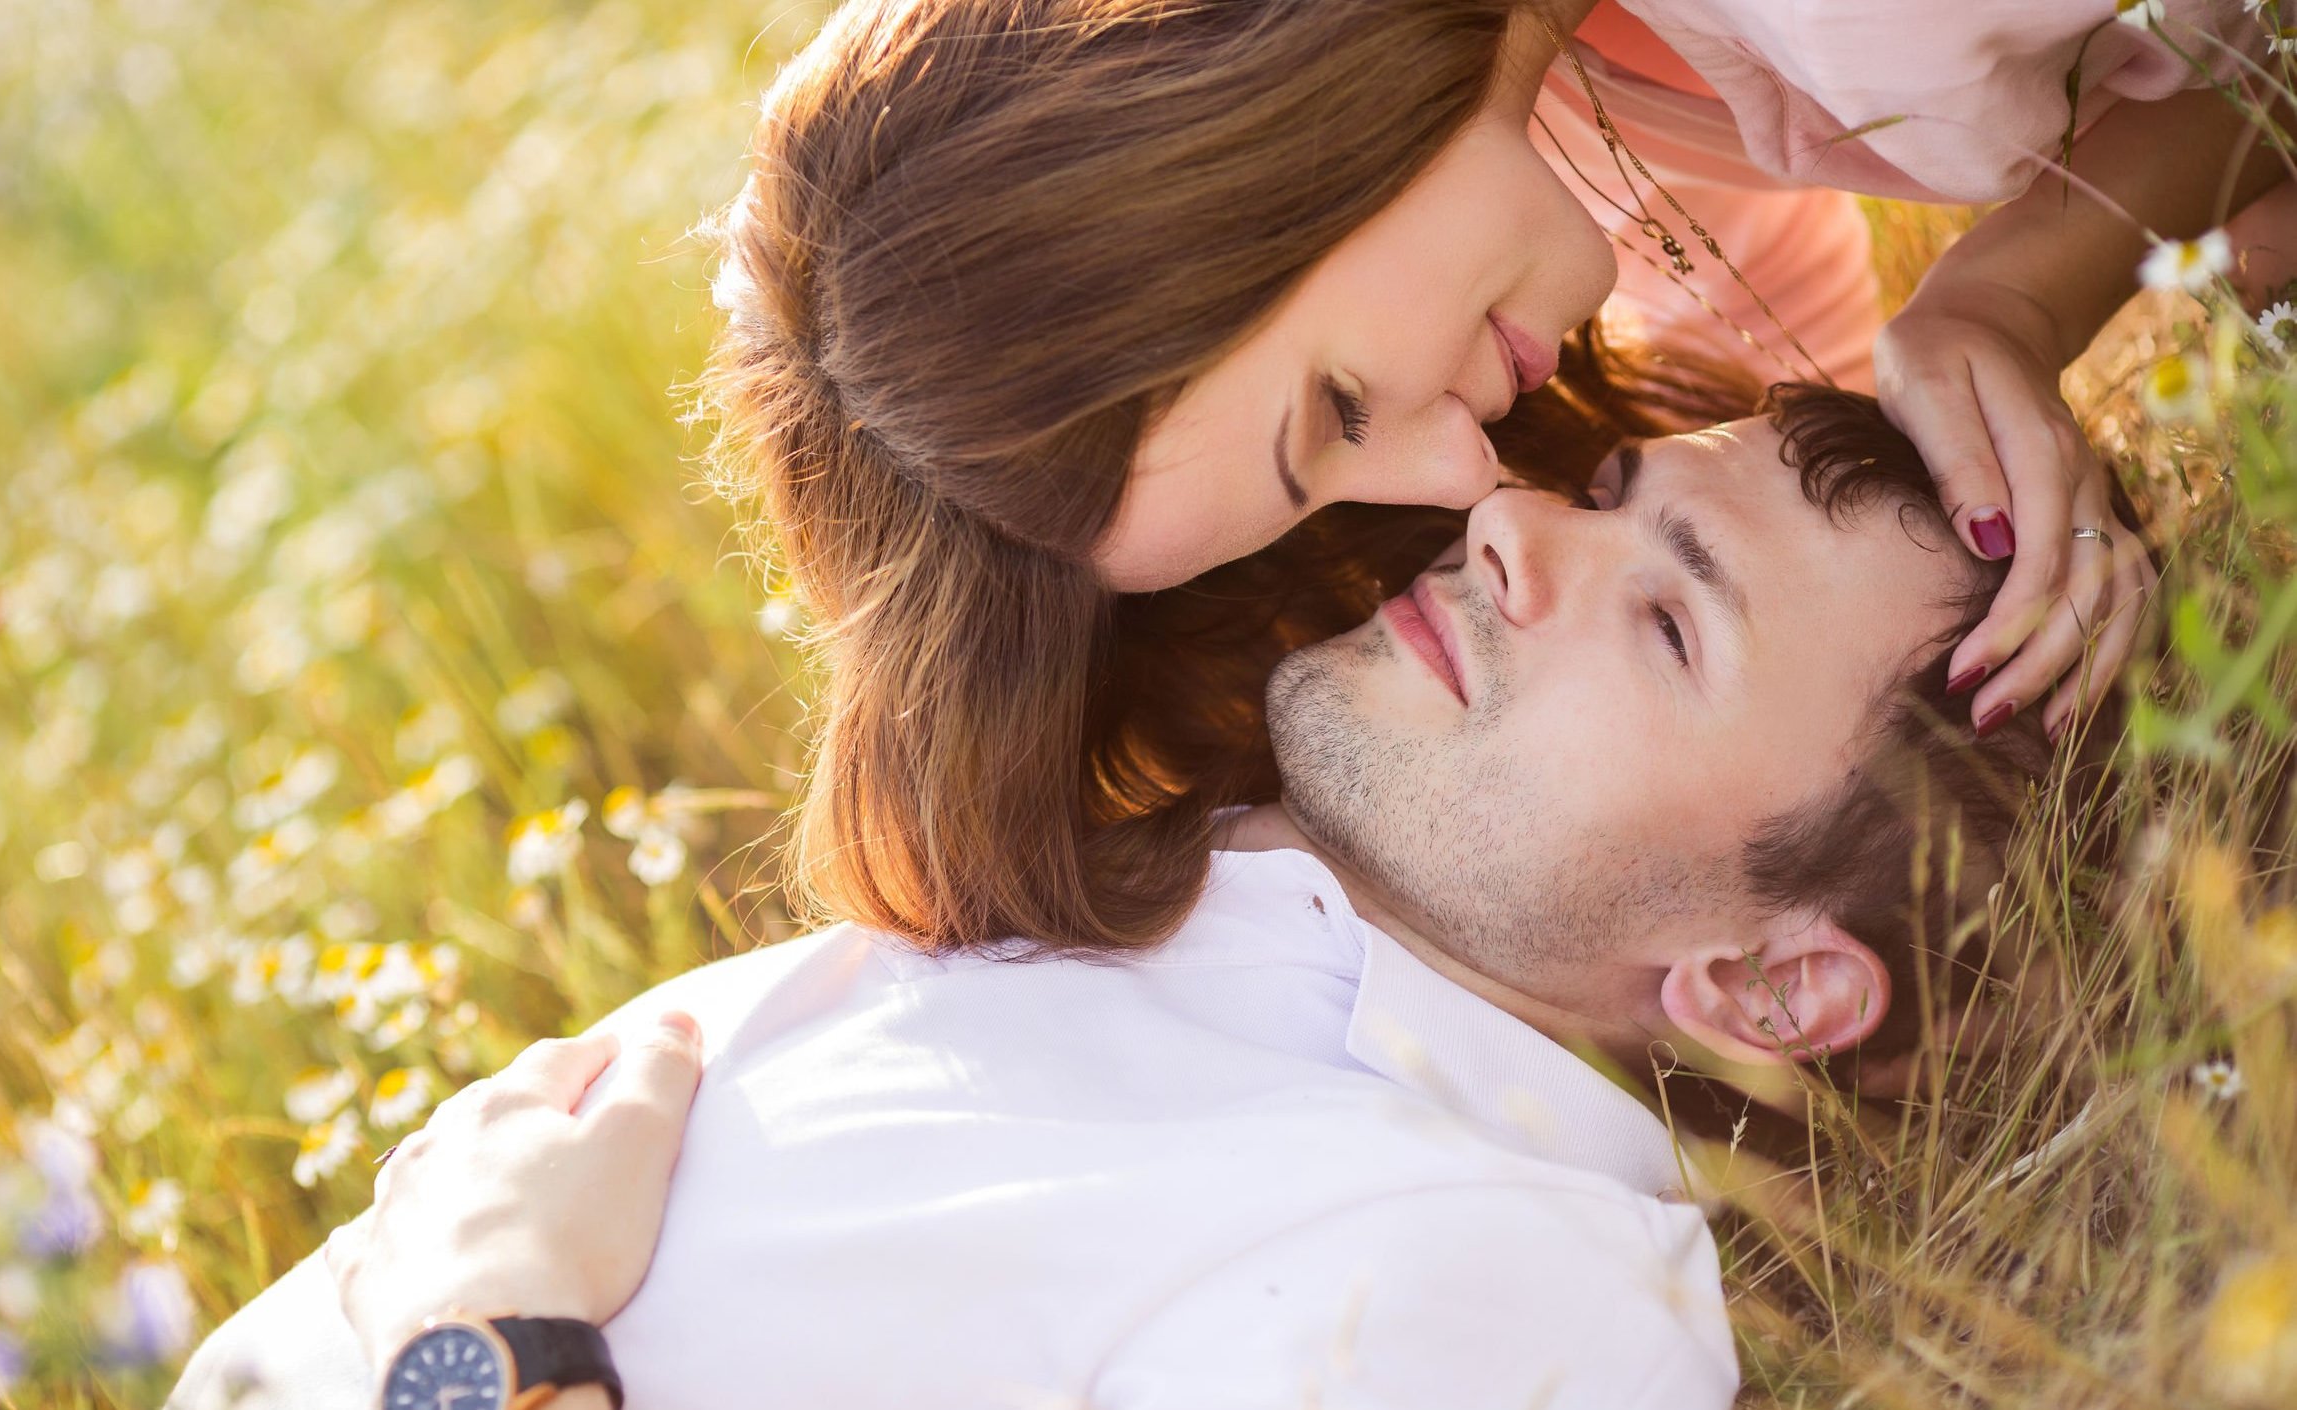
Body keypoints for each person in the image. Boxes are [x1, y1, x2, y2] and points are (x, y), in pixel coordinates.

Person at [172, 385, 2088, 1409]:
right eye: (1598, 488)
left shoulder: (1493, 1289)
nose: (1514, 527)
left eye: (1671, 618)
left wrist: (483, 1330)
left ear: (1767, 988)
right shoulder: (1183, 915)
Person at [710, 0, 2184, 978]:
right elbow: (1758, 338)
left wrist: (2028, 284)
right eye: (1317, 492)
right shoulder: (1545, 112)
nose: (1470, 480)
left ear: (1259, 144)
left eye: (1340, 408)